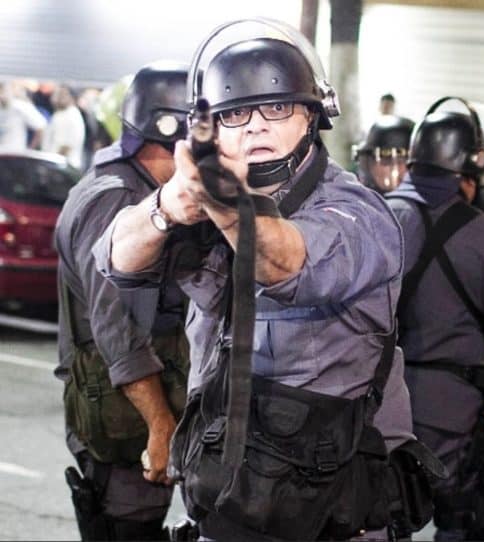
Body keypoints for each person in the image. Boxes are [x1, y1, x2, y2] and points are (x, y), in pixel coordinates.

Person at [94, 22, 422, 540]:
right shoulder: (203, 201)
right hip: (227, 500)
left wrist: (224, 202)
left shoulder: (358, 213)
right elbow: (115, 260)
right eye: (235, 114)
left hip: (330, 513)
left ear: (311, 115)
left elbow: (286, 262)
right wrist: (167, 206)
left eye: (277, 108)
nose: (255, 128)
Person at [386, 97, 484, 541]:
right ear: (469, 175)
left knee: (378, 518)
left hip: (373, 408)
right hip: (453, 414)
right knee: (460, 519)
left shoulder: (371, 217)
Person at [55, 61, 191, 541]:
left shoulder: (142, 188)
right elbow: (116, 329)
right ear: (173, 133)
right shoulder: (115, 200)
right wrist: (160, 424)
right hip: (127, 417)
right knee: (129, 527)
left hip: (144, 405)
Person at [353, 114, 415, 193]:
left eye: (409, 163)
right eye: (387, 160)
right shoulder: (355, 198)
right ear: (369, 164)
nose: (402, 170)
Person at [43, 85, 87, 169]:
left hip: (64, 166)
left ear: (72, 98)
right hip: (55, 164)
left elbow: (66, 146)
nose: (58, 97)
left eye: (62, 94)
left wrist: (53, 166)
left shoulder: (72, 115)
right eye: (56, 94)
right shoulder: (60, 113)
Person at [0, 81, 47, 151]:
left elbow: (41, 127)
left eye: (2, 90)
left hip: (15, 153)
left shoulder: (21, 107)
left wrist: (30, 150)